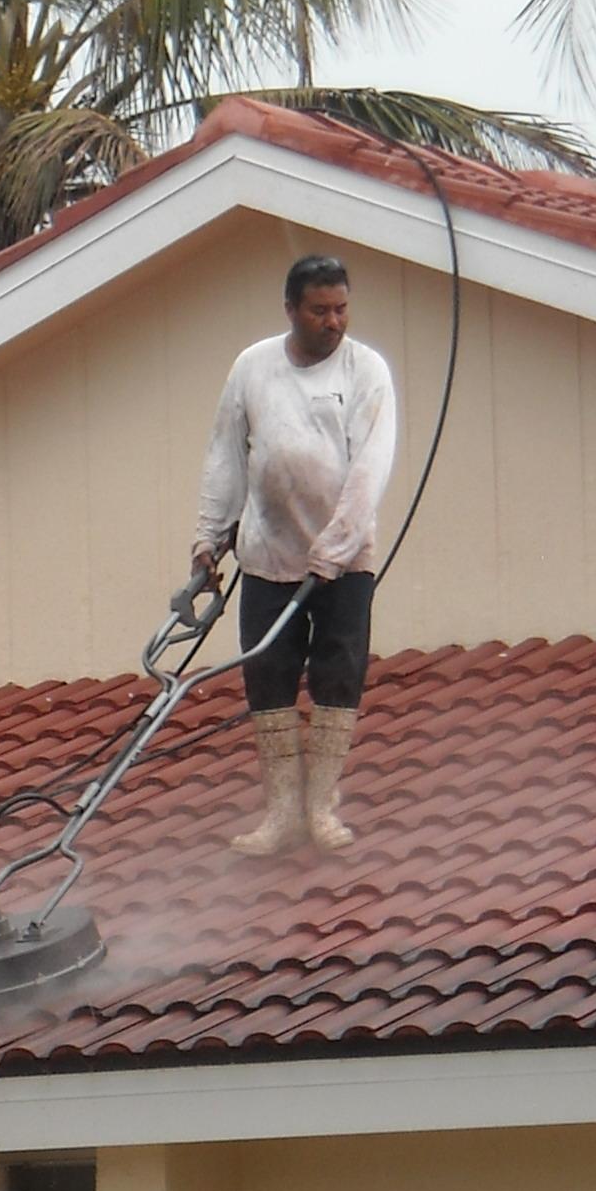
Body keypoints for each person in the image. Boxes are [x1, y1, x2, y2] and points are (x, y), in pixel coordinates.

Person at [189, 252, 398, 855]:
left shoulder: (367, 371)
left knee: (338, 673)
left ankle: (321, 809)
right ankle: (281, 810)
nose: (333, 322)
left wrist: (333, 550)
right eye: (319, 310)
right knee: (269, 674)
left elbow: (370, 468)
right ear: (291, 310)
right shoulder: (253, 368)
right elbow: (226, 456)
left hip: (344, 559)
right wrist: (209, 539)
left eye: (341, 309)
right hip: (267, 556)